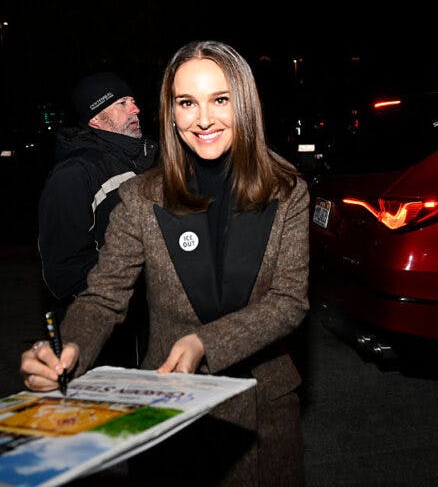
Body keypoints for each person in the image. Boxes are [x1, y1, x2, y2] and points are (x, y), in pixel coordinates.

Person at [20, 41, 310, 486]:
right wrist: (69, 350)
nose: (204, 118)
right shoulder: (140, 197)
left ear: (245, 103)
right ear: (171, 111)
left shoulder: (287, 190)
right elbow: (103, 297)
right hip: (168, 404)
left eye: (220, 99)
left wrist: (205, 343)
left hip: (263, 406)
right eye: (187, 103)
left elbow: (288, 302)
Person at [37, 71, 158, 367]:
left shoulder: (139, 159)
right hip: (108, 328)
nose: (135, 109)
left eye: (133, 101)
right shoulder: (73, 175)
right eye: (121, 104)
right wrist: (124, 285)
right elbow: (63, 272)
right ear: (95, 119)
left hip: (144, 315)